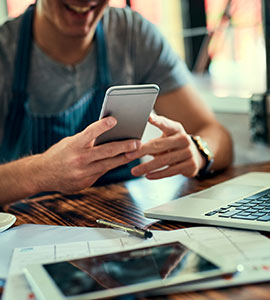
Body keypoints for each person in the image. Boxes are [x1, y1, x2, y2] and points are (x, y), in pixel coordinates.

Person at [0, 0, 233, 205]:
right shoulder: (5, 51)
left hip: (123, 223)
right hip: (27, 229)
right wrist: (41, 172)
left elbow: (216, 134)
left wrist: (199, 151)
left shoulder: (133, 34)